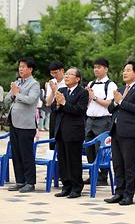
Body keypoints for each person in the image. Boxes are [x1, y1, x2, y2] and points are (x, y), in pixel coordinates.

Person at [104, 61, 135, 206]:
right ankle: (118, 192)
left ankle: (129, 195)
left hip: (129, 132)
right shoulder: (120, 89)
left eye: (128, 70)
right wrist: (116, 102)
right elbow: (111, 109)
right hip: (115, 131)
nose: (124, 72)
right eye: (124, 70)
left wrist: (121, 101)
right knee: (117, 164)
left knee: (128, 164)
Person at [5, 57, 40, 193]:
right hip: (14, 123)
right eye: (19, 66)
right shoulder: (17, 82)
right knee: (16, 153)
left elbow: (31, 100)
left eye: (23, 67)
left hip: (26, 125)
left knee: (26, 155)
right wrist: (14, 93)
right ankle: (20, 181)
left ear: (30, 69)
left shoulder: (34, 84)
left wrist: (17, 93)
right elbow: (7, 99)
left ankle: (30, 183)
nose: (20, 69)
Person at [52, 67, 89, 199]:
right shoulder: (61, 90)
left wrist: (64, 103)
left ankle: (76, 187)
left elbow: (79, 110)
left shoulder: (82, 93)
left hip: (74, 131)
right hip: (61, 130)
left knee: (73, 160)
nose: (66, 76)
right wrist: (57, 104)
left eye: (69, 74)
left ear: (77, 79)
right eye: (66, 74)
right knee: (62, 160)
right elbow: (53, 108)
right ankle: (66, 186)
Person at [85, 58, 117, 186]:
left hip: (103, 120)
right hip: (90, 120)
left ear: (106, 69)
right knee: (89, 148)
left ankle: (103, 176)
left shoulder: (111, 85)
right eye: (95, 67)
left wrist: (94, 98)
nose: (96, 69)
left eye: (99, 67)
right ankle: (93, 174)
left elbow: (110, 104)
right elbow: (88, 102)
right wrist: (88, 97)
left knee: (101, 149)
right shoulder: (91, 83)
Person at [46, 61, 66, 150]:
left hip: (65, 112)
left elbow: (63, 99)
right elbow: (48, 102)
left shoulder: (68, 81)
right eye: (52, 73)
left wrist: (55, 89)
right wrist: (51, 89)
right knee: (52, 137)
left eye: (56, 73)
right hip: (54, 112)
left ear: (62, 71)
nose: (54, 75)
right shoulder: (52, 82)